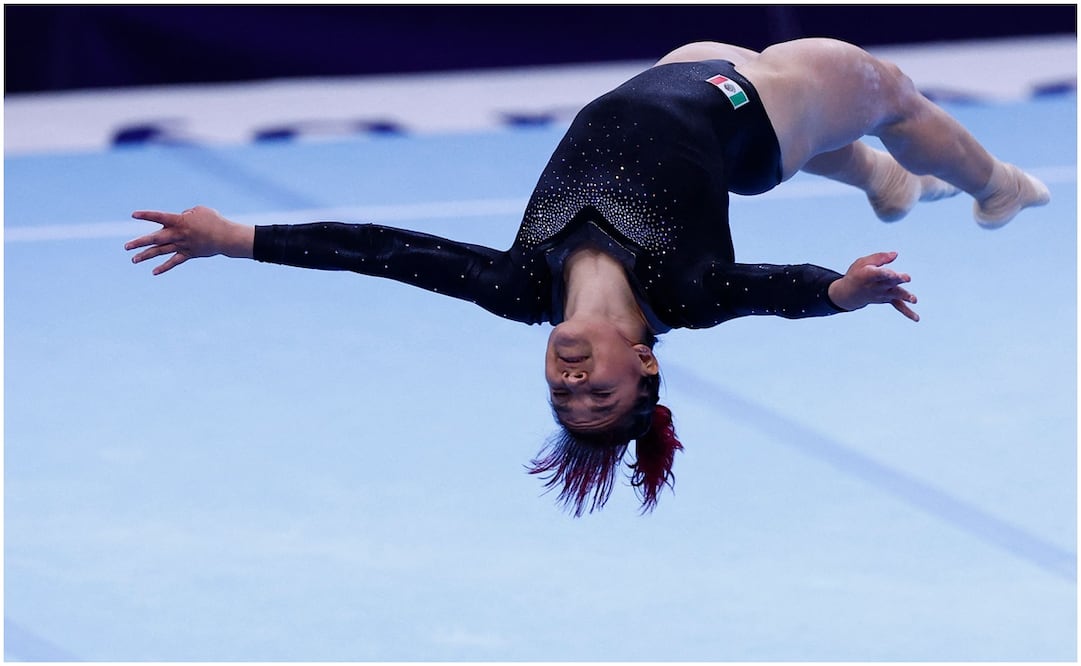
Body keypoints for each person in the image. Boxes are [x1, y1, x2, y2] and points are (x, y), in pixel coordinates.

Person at [125, 38, 1050, 516]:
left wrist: (238, 236)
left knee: (787, 103)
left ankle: (884, 182)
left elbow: (384, 251)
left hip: (680, 84)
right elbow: (771, 289)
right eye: (595, 394)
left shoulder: (520, 285)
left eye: (562, 393)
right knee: (887, 90)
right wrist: (841, 292)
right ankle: (994, 187)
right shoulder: (686, 295)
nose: (572, 380)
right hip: (757, 116)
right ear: (642, 366)